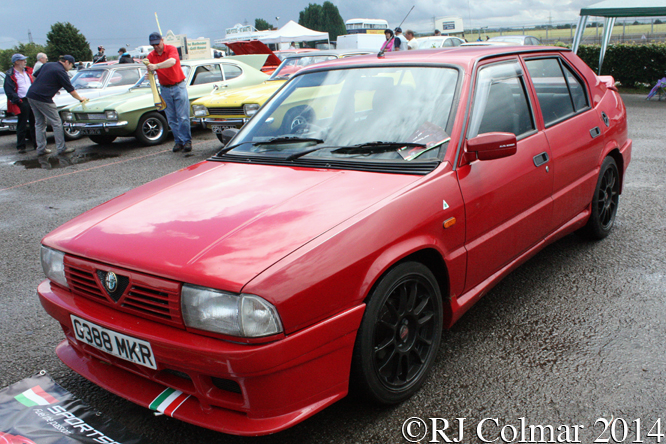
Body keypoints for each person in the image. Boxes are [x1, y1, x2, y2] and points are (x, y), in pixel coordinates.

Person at [27, 55, 88, 156]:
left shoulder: (48, 65)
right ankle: (61, 148)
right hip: (43, 98)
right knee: (57, 122)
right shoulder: (61, 72)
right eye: (71, 65)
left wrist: (44, 86)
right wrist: (80, 98)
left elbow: (34, 76)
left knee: (39, 123)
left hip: (31, 95)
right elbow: (71, 90)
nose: (71, 67)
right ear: (67, 62)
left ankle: (41, 148)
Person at [146, 32, 192, 153]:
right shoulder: (151, 55)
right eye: (153, 45)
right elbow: (150, 69)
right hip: (164, 88)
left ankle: (187, 140)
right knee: (171, 118)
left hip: (178, 86)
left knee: (183, 116)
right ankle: (178, 141)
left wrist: (156, 66)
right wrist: (149, 73)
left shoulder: (171, 49)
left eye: (157, 43)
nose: (155, 47)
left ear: (162, 40)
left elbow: (172, 61)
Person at [3, 54, 36, 153]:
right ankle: (21, 146)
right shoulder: (10, 74)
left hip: (31, 99)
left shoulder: (27, 71)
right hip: (22, 100)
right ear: (17, 62)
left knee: (34, 122)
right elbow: (9, 90)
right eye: (23, 60)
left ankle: (37, 144)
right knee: (22, 124)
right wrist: (18, 100)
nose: (25, 62)